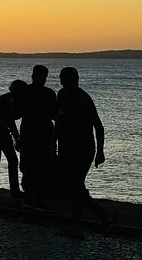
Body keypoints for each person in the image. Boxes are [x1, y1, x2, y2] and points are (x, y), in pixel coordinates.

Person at [55, 67, 115, 238]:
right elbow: (59, 121)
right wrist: (53, 142)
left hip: (83, 149)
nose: (66, 84)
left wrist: (100, 151)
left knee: (74, 185)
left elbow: (98, 126)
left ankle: (102, 214)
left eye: (69, 80)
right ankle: (77, 226)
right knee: (74, 187)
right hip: (66, 148)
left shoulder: (83, 98)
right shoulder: (61, 95)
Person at [18, 64, 57, 210]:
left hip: (28, 132)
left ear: (32, 76)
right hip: (45, 133)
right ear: (45, 77)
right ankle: (40, 200)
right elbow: (55, 115)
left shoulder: (25, 92)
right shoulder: (49, 93)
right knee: (44, 168)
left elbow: (17, 113)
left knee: (28, 168)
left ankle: (29, 198)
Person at [0, 80, 25, 199]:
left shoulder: (5, 97)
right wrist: (17, 139)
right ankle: (14, 191)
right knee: (12, 160)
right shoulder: (11, 100)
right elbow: (10, 120)